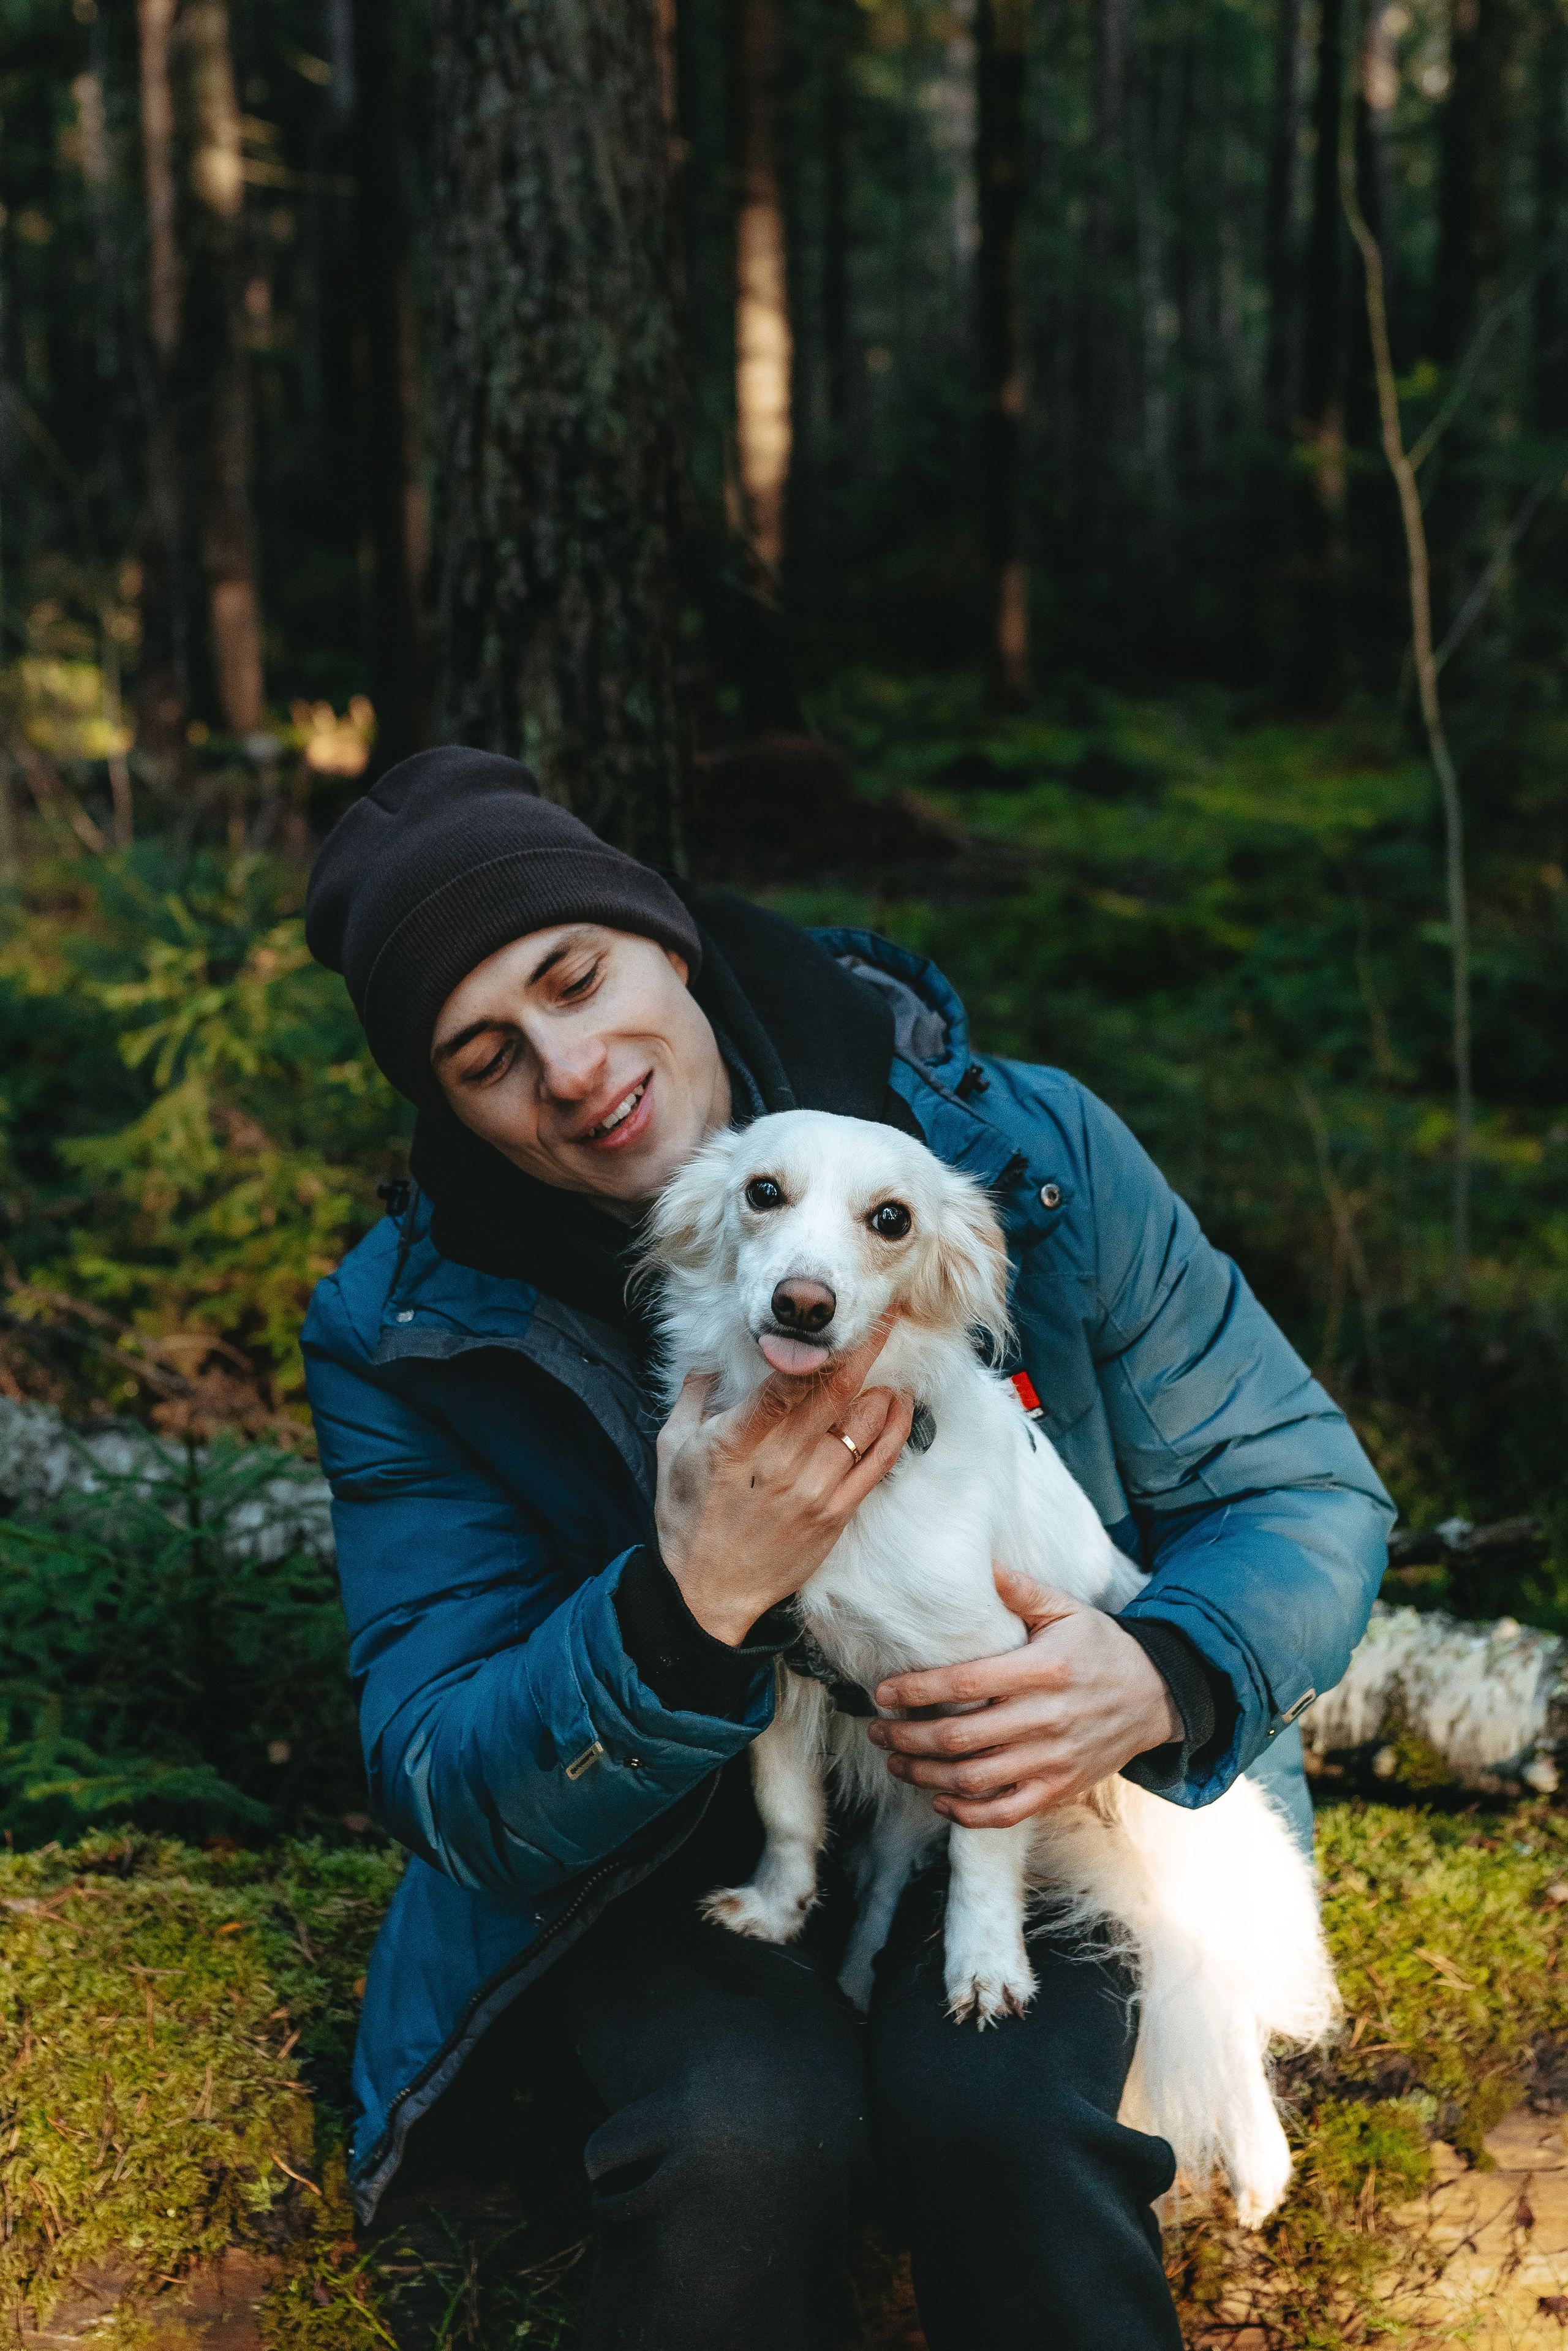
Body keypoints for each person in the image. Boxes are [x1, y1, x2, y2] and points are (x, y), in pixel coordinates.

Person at [302, 745, 1392, 2350]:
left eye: (577, 974)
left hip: (1024, 1797)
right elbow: (441, 1763)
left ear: (660, 933)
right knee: (740, 2140)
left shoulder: (1026, 1152)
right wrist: (686, 1608)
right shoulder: (409, 1329)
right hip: (650, 1863)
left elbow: (1304, 1490)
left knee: (1009, 2118)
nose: (574, 1062)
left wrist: (1159, 1670)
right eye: (487, 1054)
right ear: (447, 1104)